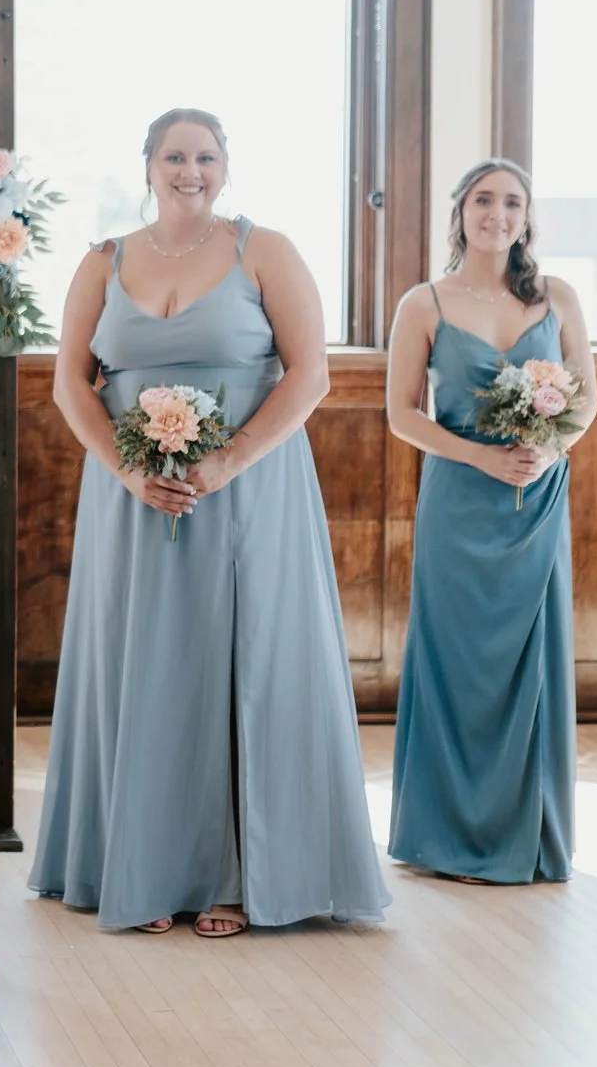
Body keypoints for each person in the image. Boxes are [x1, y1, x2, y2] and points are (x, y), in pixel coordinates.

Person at [28, 108, 386, 936]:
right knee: (142, 665)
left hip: (248, 492)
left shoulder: (266, 251)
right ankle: (142, 869)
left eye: (206, 157)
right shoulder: (102, 260)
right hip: (131, 497)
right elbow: (71, 383)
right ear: (147, 166)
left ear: (225, 167)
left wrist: (227, 462)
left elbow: (311, 376)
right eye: (174, 156)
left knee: (242, 663)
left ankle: (236, 878)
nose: (190, 170)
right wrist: (126, 470)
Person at [385, 157, 592, 884]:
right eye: (483, 200)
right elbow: (402, 414)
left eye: (511, 202)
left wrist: (550, 449)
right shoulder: (423, 304)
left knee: (532, 660)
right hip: (459, 503)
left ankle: (527, 834)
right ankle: (450, 835)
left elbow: (587, 399)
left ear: (526, 219)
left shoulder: (558, 298)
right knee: (458, 661)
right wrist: (479, 456)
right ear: (461, 212)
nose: (496, 214)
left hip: (536, 500)